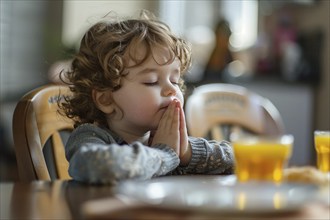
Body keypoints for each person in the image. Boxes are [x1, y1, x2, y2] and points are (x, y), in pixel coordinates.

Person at [59, 10, 234, 184]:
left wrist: (187, 153)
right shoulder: (91, 137)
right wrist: (165, 154)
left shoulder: (167, 138)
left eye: (174, 80)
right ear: (105, 99)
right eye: (151, 82)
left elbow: (236, 159)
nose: (171, 90)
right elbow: (101, 166)